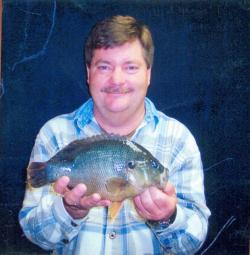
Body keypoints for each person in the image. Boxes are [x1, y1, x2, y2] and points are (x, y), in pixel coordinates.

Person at [19, 15, 210, 254]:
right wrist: (68, 210)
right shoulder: (54, 134)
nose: (116, 79)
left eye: (130, 67)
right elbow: (35, 234)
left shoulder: (179, 140)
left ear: (148, 74)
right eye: (104, 66)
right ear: (88, 73)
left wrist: (168, 217)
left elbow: (193, 242)